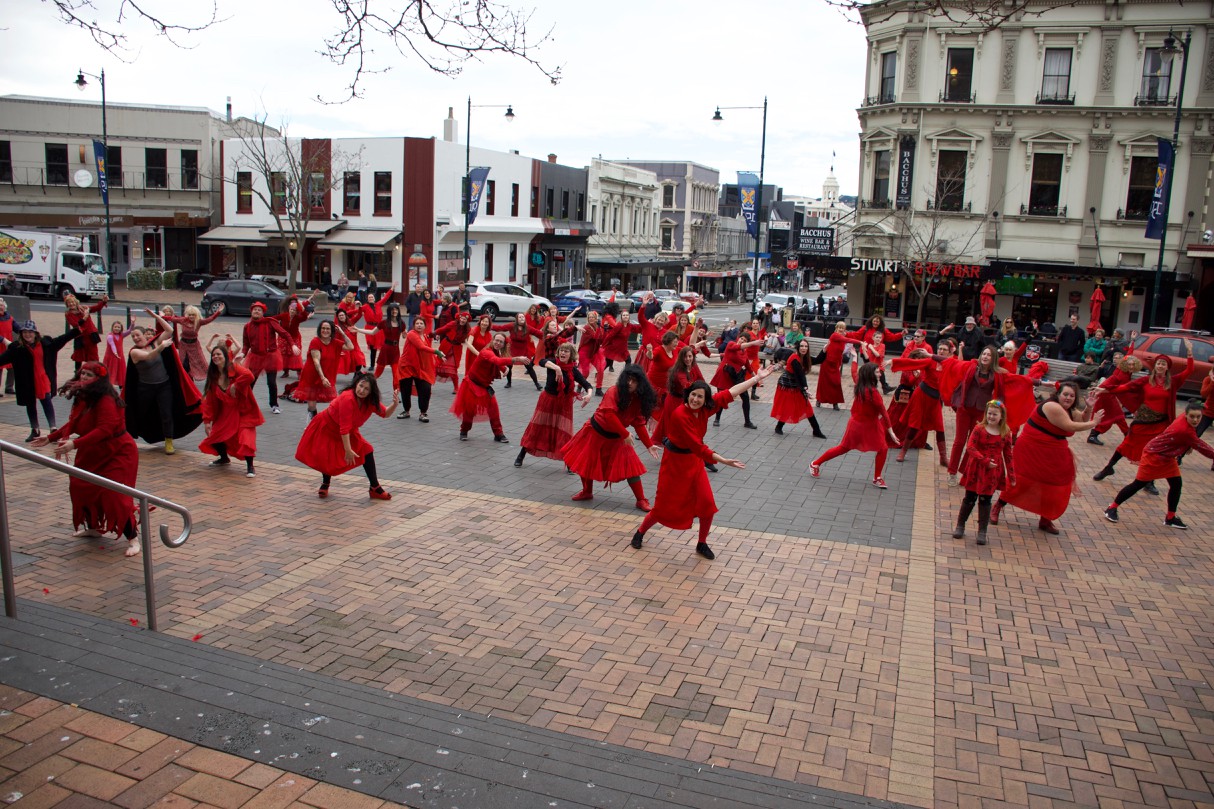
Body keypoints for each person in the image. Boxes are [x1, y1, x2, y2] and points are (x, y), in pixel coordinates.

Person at [631, 367, 777, 560]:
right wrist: (723, 460)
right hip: (674, 465)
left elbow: (732, 391)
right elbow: (697, 445)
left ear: (705, 400)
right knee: (664, 507)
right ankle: (640, 532)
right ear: (687, 396)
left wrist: (756, 378)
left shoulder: (706, 407)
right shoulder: (680, 415)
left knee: (707, 505)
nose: (696, 400)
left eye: (700, 397)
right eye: (693, 395)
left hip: (694, 462)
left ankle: (702, 543)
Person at [31, 362, 142, 557]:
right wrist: (50, 437)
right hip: (93, 451)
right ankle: (93, 527)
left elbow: (104, 429)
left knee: (114, 494)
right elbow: (76, 422)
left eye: (89, 374)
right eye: (82, 374)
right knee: (81, 486)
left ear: (99, 379)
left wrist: (74, 444)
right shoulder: (84, 396)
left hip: (117, 452)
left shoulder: (106, 398)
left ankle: (133, 538)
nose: (83, 377)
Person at [991, 382, 1103, 534]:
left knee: (1054, 485)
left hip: (1053, 450)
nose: (1068, 398)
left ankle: (1046, 519)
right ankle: (997, 506)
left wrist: (1089, 407)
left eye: (1071, 396)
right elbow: (1070, 426)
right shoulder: (1052, 406)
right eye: (1065, 394)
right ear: (1058, 394)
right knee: (1022, 481)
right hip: (1032, 448)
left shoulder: (1068, 409)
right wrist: (1094, 423)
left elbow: (1081, 419)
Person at [1092, 344, 1194, 492]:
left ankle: (1149, 482)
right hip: (1142, 421)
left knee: (1155, 452)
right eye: (1158, 363)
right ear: (1155, 366)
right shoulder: (1146, 380)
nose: (1160, 365)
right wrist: (1105, 390)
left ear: (1167, 367)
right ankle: (1108, 468)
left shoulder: (1173, 382)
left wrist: (1190, 352)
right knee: (1126, 445)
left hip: (1160, 424)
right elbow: (1126, 387)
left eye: (1163, 364)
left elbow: (1189, 370)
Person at [561, 364, 660, 510]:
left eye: (634, 381)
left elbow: (638, 423)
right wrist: (625, 433)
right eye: (628, 379)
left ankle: (641, 499)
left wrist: (649, 445)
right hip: (595, 432)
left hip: (617, 437)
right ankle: (587, 491)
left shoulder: (639, 398)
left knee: (631, 467)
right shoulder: (614, 391)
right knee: (586, 462)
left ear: (640, 383)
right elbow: (609, 415)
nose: (630, 383)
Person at [1103, 401, 1214, 529]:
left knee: (1176, 484)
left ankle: (1170, 517)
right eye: (1192, 416)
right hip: (1153, 456)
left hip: (1166, 456)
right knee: (1138, 484)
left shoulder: (1184, 421)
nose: (1195, 420)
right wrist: (1189, 445)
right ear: (1186, 415)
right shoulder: (1185, 431)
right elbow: (1203, 447)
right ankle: (1111, 508)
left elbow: (1193, 441)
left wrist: (1187, 445)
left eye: (1198, 417)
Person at [295, 371, 399, 500]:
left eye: (366, 389)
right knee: (326, 457)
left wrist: (394, 404)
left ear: (371, 392)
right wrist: (348, 450)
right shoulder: (348, 398)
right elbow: (344, 428)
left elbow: (385, 414)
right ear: (356, 383)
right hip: (327, 426)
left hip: (346, 430)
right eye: (361, 385)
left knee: (367, 450)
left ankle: (374, 487)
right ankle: (325, 483)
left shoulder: (370, 402)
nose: (362, 390)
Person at [124, 310, 202, 455]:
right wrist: (162, 346)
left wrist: (156, 317)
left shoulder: (155, 342)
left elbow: (170, 330)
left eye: (138, 335)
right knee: (138, 412)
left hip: (163, 386)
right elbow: (148, 356)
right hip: (145, 388)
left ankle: (169, 441)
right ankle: (128, 437)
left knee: (166, 413)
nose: (135, 338)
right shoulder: (134, 352)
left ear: (145, 335)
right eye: (133, 336)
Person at [810, 362, 899, 488]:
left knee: (883, 448)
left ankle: (877, 478)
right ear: (870, 375)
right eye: (878, 372)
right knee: (844, 448)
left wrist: (854, 359)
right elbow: (883, 412)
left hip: (870, 424)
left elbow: (853, 372)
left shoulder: (860, 384)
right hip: (859, 425)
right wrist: (891, 431)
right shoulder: (872, 392)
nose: (881, 374)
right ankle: (815, 463)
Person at [515, 342, 592, 468]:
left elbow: (587, 384)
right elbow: (541, 361)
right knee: (537, 428)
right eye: (561, 350)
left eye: (566, 351)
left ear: (571, 355)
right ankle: (521, 454)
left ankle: (568, 462)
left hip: (564, 404)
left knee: (565, 432)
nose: (563, 353)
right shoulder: (552, 363)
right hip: (548, 400)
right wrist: (557, 368)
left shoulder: (573, 370)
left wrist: (589, 395)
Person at [0, 320, 79, 442]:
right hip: (27, 382)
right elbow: (2, 359)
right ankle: (35, 430)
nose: (27, 335)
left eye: (30, 332)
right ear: (21, 334)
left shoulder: (46, 344)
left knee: (46, 402)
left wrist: (80, 326)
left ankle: (53, 428)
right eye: (25, 332)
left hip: (43, 379)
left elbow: (63, 338)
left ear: (36, 333)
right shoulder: (16, 348)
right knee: (30, 404)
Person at [952, 400, 1014, 546]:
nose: (991, 417)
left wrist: (1011, 476)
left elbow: (1008, 455)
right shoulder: (979, 428)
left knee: (986, 500)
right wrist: (984, 460)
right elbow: (971, 447)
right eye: (989, 413)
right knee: (969, 497)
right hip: (976, 469)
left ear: (1001, 416)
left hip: (993, 473)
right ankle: (960, 525)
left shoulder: (1006, 433)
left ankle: (982, 531)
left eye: (995, 414)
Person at [198, 344, 263, 478]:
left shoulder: (234, 368)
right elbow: (209, 401)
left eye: (218, 354)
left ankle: (250, 466)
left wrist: (236, 384)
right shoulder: (213, 376)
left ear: (225, 356)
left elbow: (249, 376)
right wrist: (207, 421)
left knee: (246, 436)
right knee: (215, 435)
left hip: (243, 410)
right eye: (213, 355)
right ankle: (223, 458)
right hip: (226, 413)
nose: (215, 357)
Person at [450, 331, 528, 442]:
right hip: (472, 385)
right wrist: (516, 359)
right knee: (469, 411)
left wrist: (504, 368)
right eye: (496, 340)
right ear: (492, 341)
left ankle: (498, 434)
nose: (498, 343)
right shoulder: (486, 351)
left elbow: (497, 361)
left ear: (503, 345)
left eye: (501, 342)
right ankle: (464, 431)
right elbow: (495, 360)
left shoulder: (495, 352)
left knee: (494, 409)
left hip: (485, 386)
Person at [892, 343, 955, 466]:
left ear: (949, 352)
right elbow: (912, 363)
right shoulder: (930, 361)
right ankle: (903, 451)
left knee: (940, 428)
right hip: (921, 395)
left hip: (935, 399)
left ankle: (943, 458)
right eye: (940, 349)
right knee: (915, 425)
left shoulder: (950, 364)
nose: (941, 351)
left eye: (944, 350)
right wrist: (893, 362)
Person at [285, 320, 352, 419]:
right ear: (319, 330)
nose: (325, 330)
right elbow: (316, 361)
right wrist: (322, 378)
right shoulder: (315, 341)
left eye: (328, 328)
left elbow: (350, 346)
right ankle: (312, 424)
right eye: (323, 328)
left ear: (332, 330)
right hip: (312, 376)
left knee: (333, 401)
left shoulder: (335, 342)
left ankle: (328, 422)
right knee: (312, 405)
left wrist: (342, 333)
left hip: (328, 376)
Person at [241, 302, 297, 414]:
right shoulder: (247, 326)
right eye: (255, 309)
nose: (256, 311)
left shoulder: (270, 322)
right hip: (255, 356)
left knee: (271, 382)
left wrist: (293, 345)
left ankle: (274, 405)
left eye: (259, 310)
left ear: (263, 313)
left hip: (270, 356)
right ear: (251, 312)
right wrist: (242, 354)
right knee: (250, 381)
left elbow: (284, 334)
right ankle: (246, 404)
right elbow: (246, 344)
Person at [771, 339, 827, 438]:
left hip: (796, 384)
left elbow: (818, 360)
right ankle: (778, 427)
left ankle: (816, 430)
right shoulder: (795, 359)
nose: (804, 348)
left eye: (806, 346)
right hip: (787, 385)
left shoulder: (804, 358)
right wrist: (805, 389)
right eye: (802, 346)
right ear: (798, 347)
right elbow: (800, 376)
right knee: (787, 406)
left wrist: (825, 349)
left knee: (807, 407)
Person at [711, 329, 765, 429]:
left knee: (745, 398)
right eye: (741, 338)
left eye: (744, 340)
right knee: (721, 397)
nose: (742, 341)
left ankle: (747, 422)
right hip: (725, 374)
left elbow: (748, 365)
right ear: (738, 338)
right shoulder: (731, 344)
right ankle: (717, 418)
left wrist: (757, 377)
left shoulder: (744, 352)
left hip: (737, 377)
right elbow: (738, 346)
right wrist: (753, 343)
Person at [397, 315, 444, 422]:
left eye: (421, 323)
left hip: (420, 367)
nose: (419, 325)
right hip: (407, 366)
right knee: (405, 389)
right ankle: (406, 411)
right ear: (413, 325)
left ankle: (423, 413)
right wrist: (437, 352)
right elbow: (421, 347)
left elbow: (425, 351)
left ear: (425, 326)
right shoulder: (411, 334)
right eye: (417, 323)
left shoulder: (425, 337)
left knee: (425, 388)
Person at [163, 303, 225, 380]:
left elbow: (210, 319)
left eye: (193, 315)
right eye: (190, 315)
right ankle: (186, 379)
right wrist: (160, 316)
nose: (191, 316)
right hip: (184, 345)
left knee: (199, 363)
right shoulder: (183, 320)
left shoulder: (199, 322)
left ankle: (205, 376)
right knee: (184, 363)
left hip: (194, 345)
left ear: (196, 315)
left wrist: (218, 312)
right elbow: (172, 319)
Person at [817, 321, 863, 410]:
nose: (841, 329)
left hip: (835, 364)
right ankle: (819, 400)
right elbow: (848, 340)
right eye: (839, 328)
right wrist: (860, 342)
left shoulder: (843, 336)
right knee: (824, 382)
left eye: (843, 328)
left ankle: (835, 403)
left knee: (836, 383)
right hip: (827, 362)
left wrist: (865, 328)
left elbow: (854, 335)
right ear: (836, 328)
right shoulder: (834, 335)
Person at [495, 313, 542, 390]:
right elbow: (500, 328)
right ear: (517, 319)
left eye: (523, 317)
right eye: (520, 317)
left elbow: (538, 333)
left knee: (529, 367)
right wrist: (489, 326)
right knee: (509, 366)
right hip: (512, 350)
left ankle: (537, 383)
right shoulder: (512, 326)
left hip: (524, 351)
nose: (522, 318)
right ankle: (509, 382)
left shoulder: (527, 328)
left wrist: (549, 335)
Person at [64, 293, 108, 370]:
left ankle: (94, 372)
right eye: (69, 303)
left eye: (72, 302)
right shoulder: (68, 314)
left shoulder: (84, 309)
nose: (71, 304)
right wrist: (84, 318)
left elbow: (96, 308)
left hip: (90, 335)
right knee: (78, 357)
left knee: (93, 356)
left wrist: (103, 301)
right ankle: (77, 375)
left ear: (76, 302)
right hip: (80, 337)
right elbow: (75, 324)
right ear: (67, 305)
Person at [434, 308, 473, 393]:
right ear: (459, 318)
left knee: (453, 369)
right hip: (446, 345)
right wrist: (434, 333)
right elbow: (443, 329)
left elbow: (469, 339)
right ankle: (428, 385)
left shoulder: (468, 329)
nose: (462, 320)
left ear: (467, 321)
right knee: (437, 365)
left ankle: (456, 388)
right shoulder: (453, 324)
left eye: (465, 319)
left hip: (456, 349)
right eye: (462, 318)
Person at [103, 318, 135, 391]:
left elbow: (129, 331)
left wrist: (132, 323)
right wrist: (115, 352)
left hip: (119, 357)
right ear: (112, 328)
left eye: (118, 327)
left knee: (121, 372)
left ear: (121, 329)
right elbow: (112, 345)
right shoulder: (110, 336)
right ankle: (108, 387)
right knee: (111, 372)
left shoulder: (121, 335)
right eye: (115, 327)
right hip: (111, 357)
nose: (117, 328)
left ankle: (122, 387)